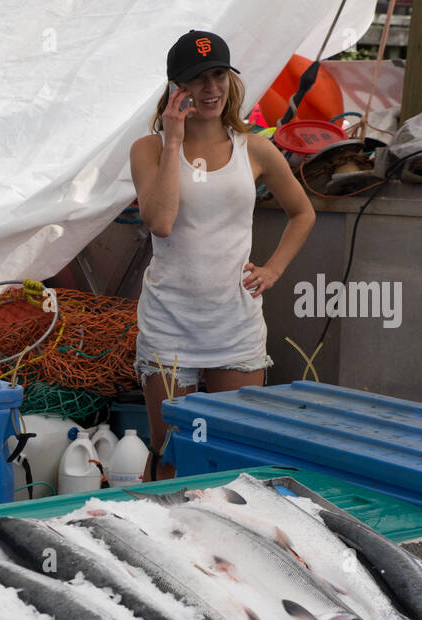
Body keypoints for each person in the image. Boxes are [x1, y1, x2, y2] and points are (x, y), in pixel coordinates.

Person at [129, 30, 315, 480]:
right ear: (177, 88)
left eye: (219, 75)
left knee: (234, 453)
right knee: (170, 452)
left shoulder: (257, 148)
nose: (211, 88)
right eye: (198, 79)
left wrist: (273, 270)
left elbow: (303, 212)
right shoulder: (148, 149)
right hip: (169, 323)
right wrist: (173, 142)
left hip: (234, 322)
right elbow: (161, 222)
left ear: (232, 81)